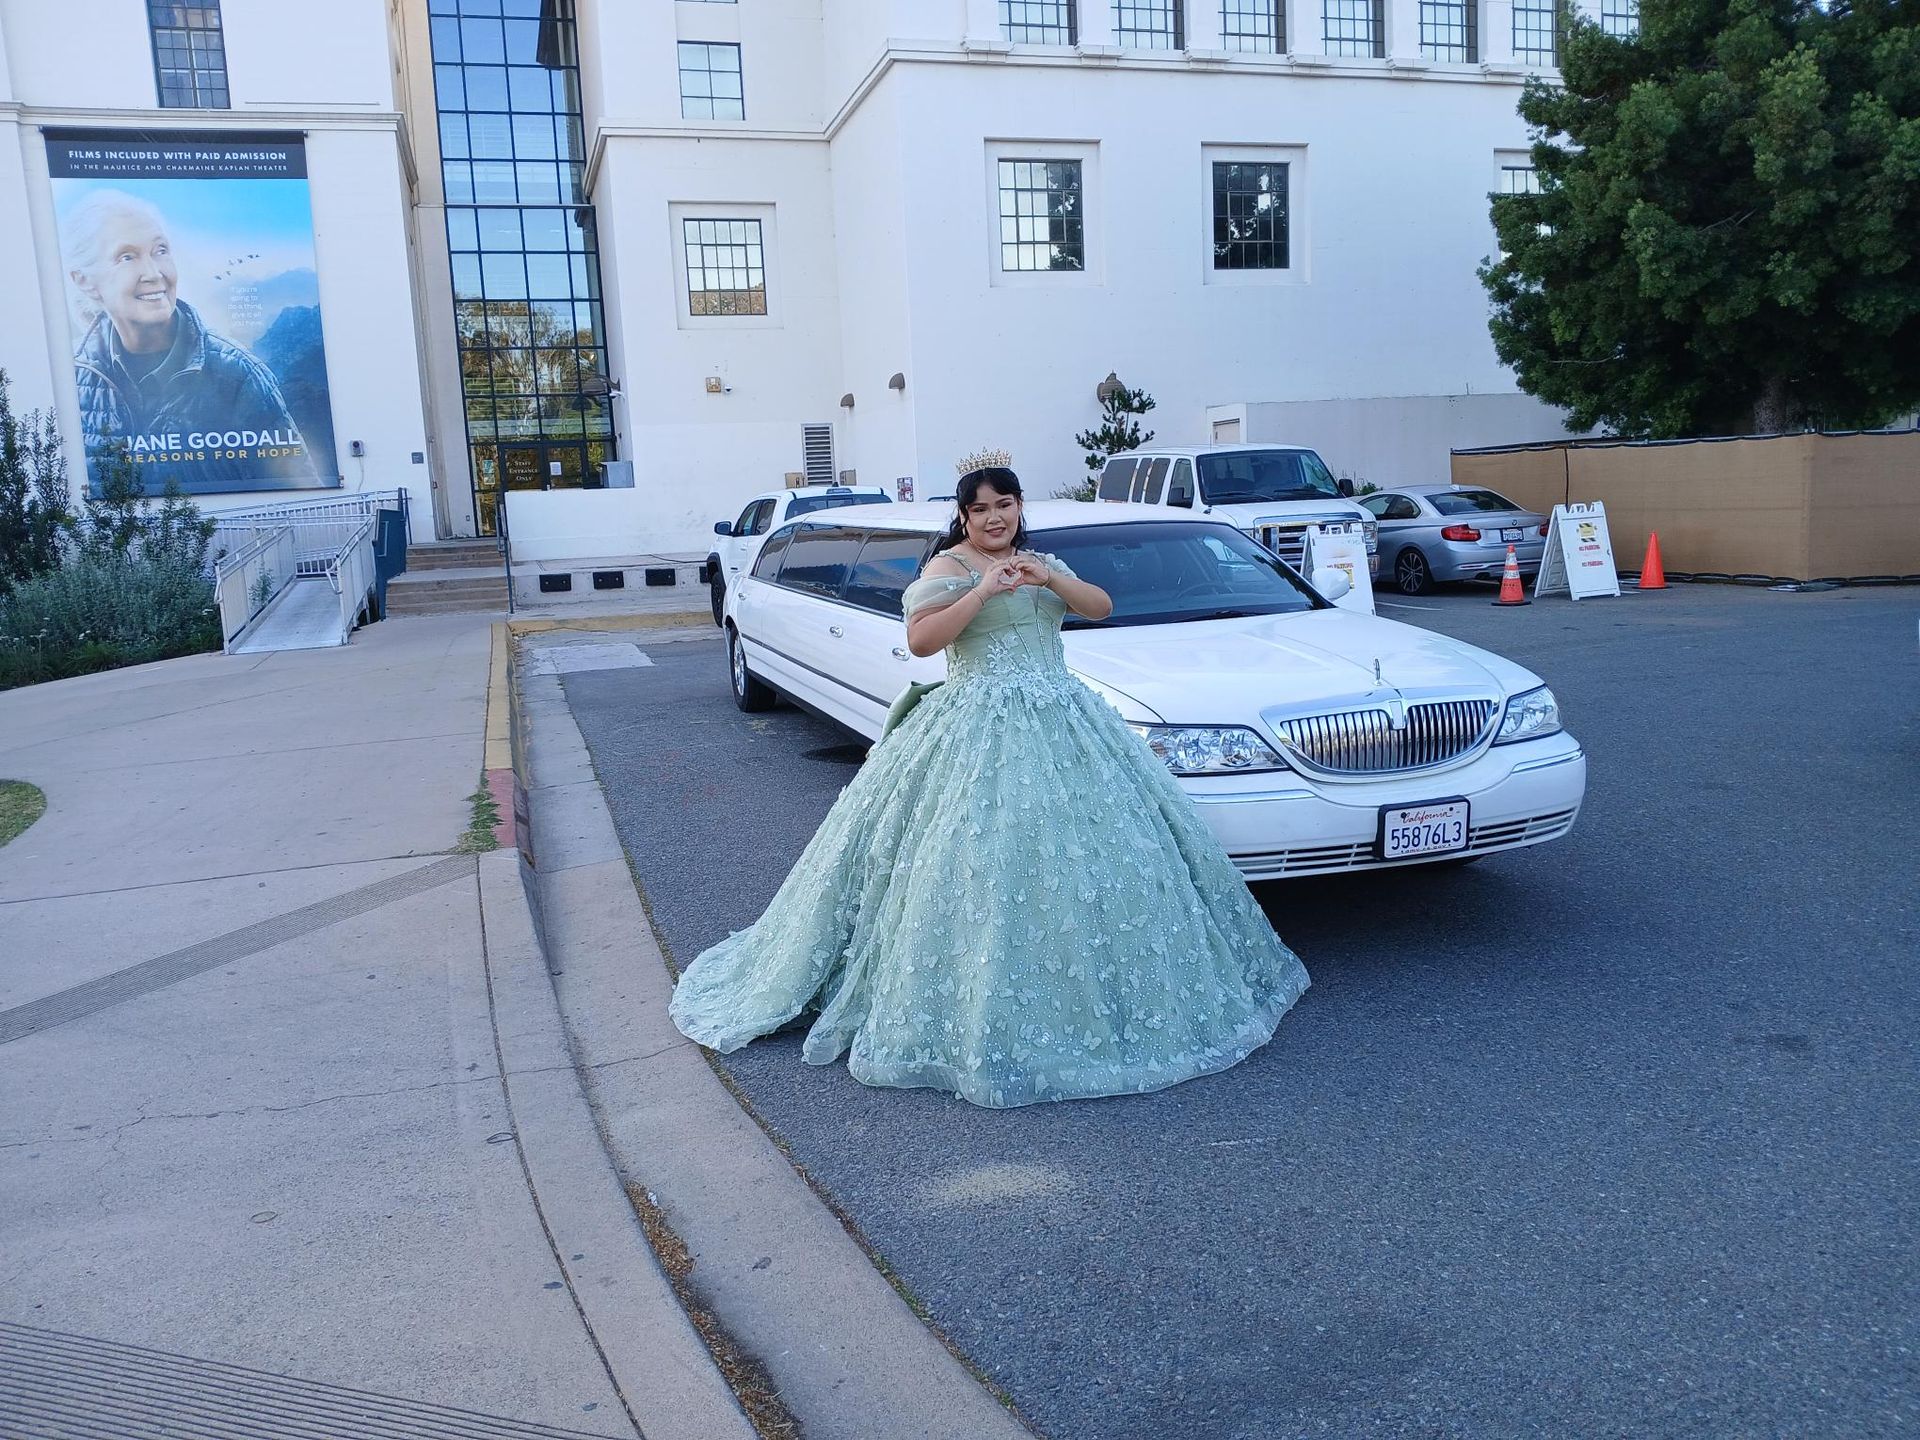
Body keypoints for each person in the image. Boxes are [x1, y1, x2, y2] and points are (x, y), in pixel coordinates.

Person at [668, 453, 1309, 1107]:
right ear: (964, 516)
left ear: (1019, 507)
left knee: (1092, 861)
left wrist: (1049, 580)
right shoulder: (947, 567)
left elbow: (1100, 606)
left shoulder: (1041, 562)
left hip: (1064, 717)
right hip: (979, 724)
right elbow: (922, 641)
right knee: (986, 861)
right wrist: (982, 591)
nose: (996, 517)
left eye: (1006, 504)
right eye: (981, 509)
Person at [62, 189, 316, 491]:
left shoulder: (237, 374)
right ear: (85, 281)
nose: (154, 273)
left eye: (160, 250)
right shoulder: (74, 378)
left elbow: (299, 488)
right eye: (127, 257)